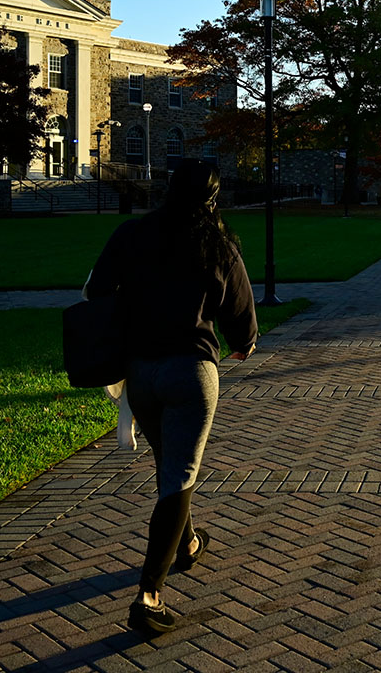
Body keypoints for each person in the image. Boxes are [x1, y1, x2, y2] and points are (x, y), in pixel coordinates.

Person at [84, 159, 257, 635]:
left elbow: (96, 290)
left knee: (170, 468)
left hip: (140, 372)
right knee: (178, 477)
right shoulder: (218, 245)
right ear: (212, 200)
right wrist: (243, 343)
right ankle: (150, 594)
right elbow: (242, 320)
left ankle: (187, 545)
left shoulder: (131, 235)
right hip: (192, 370)